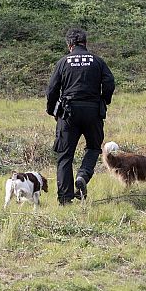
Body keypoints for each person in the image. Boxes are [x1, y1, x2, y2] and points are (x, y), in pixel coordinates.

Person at [44, 28, 114, 204]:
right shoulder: (97, 61)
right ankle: (83, 175)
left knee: (65, 155)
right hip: (93, 111)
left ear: (69, 45)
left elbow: (52, 89)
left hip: (68, 113)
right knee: (93, 147)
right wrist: (104, 100)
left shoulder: (63, 62)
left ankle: (65, 199)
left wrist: (52, 111)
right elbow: (109, 82)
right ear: (85, 43)